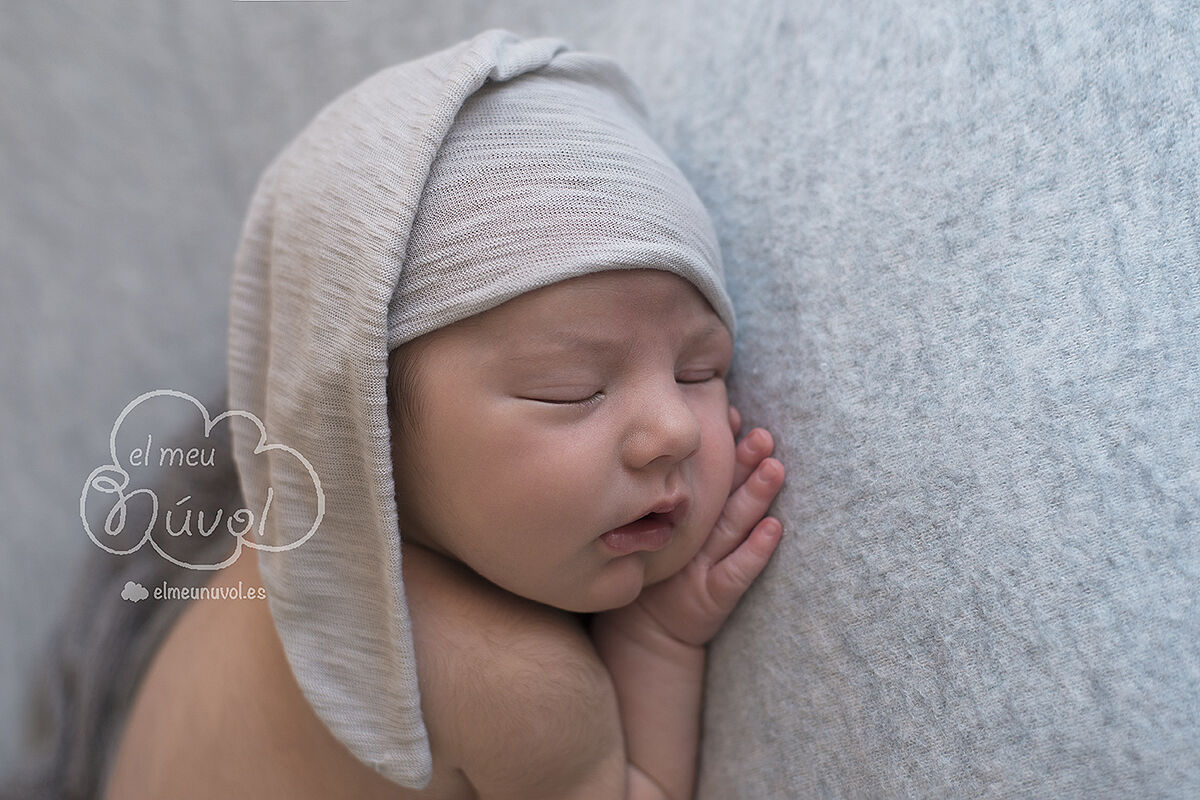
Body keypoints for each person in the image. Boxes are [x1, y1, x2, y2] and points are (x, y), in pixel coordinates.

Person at [102, 30, 785, 799]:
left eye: (701, 369)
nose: (676, 429)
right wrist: (657, 638)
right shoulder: (518, 684)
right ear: (368, 428)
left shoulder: (281, 537)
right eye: (570, 388)